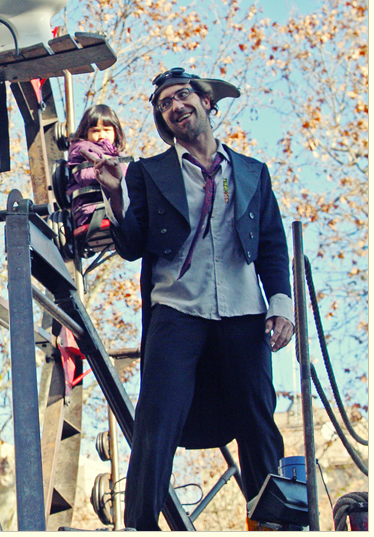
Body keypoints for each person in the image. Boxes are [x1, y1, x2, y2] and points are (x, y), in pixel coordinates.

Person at [92, 67, 295, 530]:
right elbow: (131, 245)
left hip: (244, 310)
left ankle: (271, 525)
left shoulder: (252, 172)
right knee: (156, 421)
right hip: (177, 309)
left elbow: (271, 245)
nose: (175, 106)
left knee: (259, 419)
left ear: (207, 103)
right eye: (164, 104)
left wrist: (281, 304)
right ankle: (140, 525)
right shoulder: (147, 172)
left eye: (182, 96)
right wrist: (116, 196)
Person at [65, 104, 127, 230]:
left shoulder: (117, 155)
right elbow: (85, 176)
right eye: (96, 131)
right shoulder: (82, 149)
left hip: (118, 206)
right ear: (85, 132)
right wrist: (116, 172)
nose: (102, 135)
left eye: (107, 130)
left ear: (115, 132)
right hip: (92, 210)